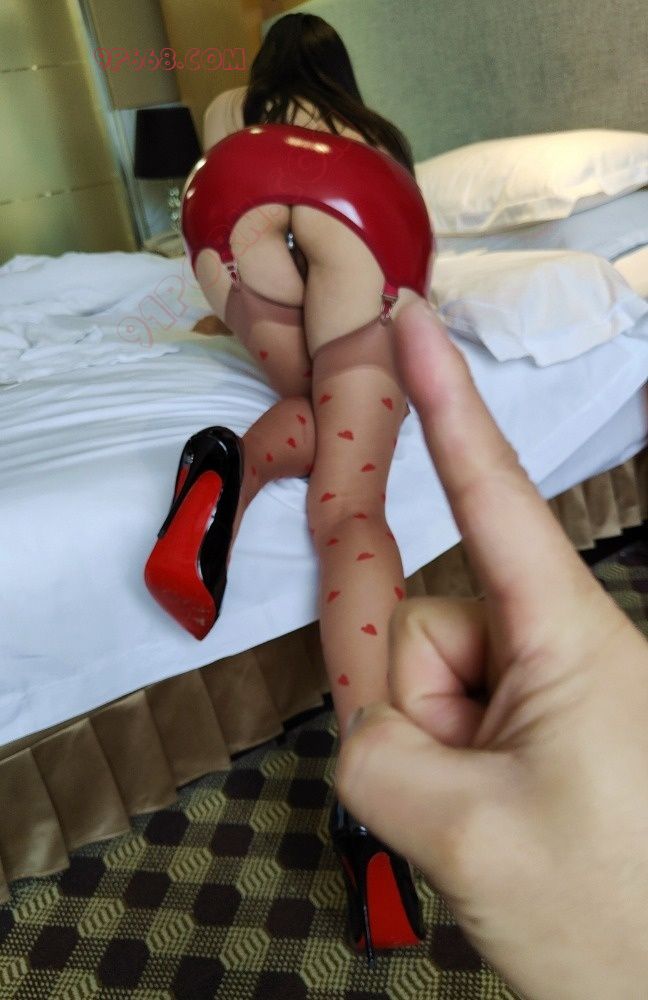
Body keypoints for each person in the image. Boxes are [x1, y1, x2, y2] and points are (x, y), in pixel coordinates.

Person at [143, 13, 434, 963]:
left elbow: (234, 228)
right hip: (353, 223)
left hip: (225, 220)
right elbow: (396, 267)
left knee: (315, 395)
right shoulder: (373, 134)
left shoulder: (234, 111)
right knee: (349, 509)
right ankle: (373, 804)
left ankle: (224, 471)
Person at [337, 296, 648, 998]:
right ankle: (369, 831)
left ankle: (226, 470)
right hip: (358, 345)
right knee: (355, 513)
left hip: (308, 355)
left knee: (340, 510)